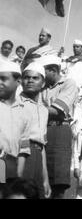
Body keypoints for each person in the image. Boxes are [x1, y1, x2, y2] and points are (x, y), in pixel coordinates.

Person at [39, 55, 79, 199]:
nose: (40, 75)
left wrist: (32, 108)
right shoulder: (42, 87)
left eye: (44, 71)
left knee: (58, 183)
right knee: (40, 181)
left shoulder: (68, 83)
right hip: (41, 129)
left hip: (59, 131)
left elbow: (57, 111)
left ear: (54, 69)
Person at [20, 62, 51, 199]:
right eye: (27, 77)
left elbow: (41, 145)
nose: (30, 80)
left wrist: (45, 179)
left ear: (43, 83)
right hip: (19, 156)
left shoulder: (44, 110)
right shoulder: (14, 103)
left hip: (37, 156)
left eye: (35, 78)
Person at [0, 61, 31, 189]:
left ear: (18, 81)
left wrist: (18, 176)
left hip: (11, 167)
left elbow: (24, 148)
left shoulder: (24, 111)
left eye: (3, 79)